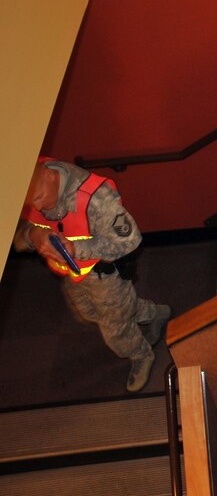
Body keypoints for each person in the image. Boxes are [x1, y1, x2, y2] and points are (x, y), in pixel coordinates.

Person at [14, 158, 171, 392]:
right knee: (87, 313)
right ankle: (153, 312)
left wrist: (78, 250)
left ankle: (141, 354)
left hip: (104, 277)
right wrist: (35, 235)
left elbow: (130, 240)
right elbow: (17, 237)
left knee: (115, 333)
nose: (36, 207)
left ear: (49, 175)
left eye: (38, 198)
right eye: (30, 202)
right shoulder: (24, 182)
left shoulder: (97, 200)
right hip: (74, 275)